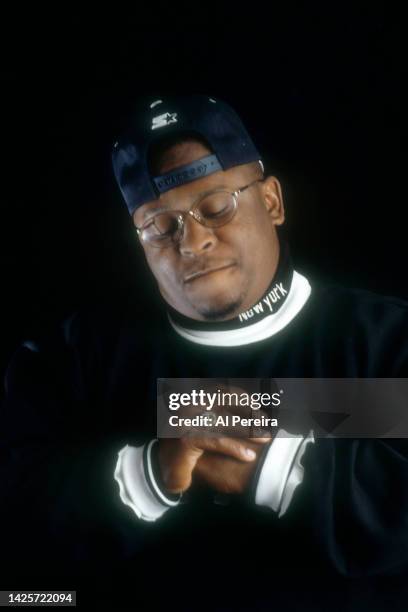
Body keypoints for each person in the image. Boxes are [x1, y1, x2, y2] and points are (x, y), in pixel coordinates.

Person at [1, 95, 408, 611]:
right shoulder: (69, 361)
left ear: (273, 202)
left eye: (216, 207)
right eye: (160, 226)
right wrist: (151, 471)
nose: (192, 241)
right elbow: (20, 561)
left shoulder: (390, 340)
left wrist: (270, 465)